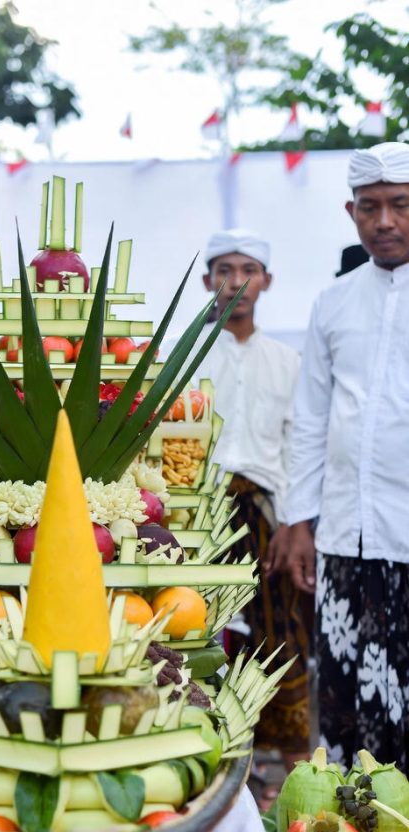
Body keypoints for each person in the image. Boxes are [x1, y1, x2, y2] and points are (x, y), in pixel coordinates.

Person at [163, 229, 310, 780]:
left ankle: (296, 772)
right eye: (224, 270)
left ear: (265, 281)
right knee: (198, 634)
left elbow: (301, 447)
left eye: (248, 270)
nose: (236, 283)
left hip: (269, 518)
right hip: (199, 519)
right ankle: (222, 770)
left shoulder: (286, 361)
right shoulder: (184, 361)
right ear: (207, 281)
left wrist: (298, 525)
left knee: (281, 635)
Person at [287, 141, 409, 771]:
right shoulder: (332, 303)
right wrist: (299, 520)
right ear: (351, 211)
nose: (383, 221)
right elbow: (309, 419)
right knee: (342, 702)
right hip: (344, 538)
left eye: (399, 205)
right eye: (370, 208)